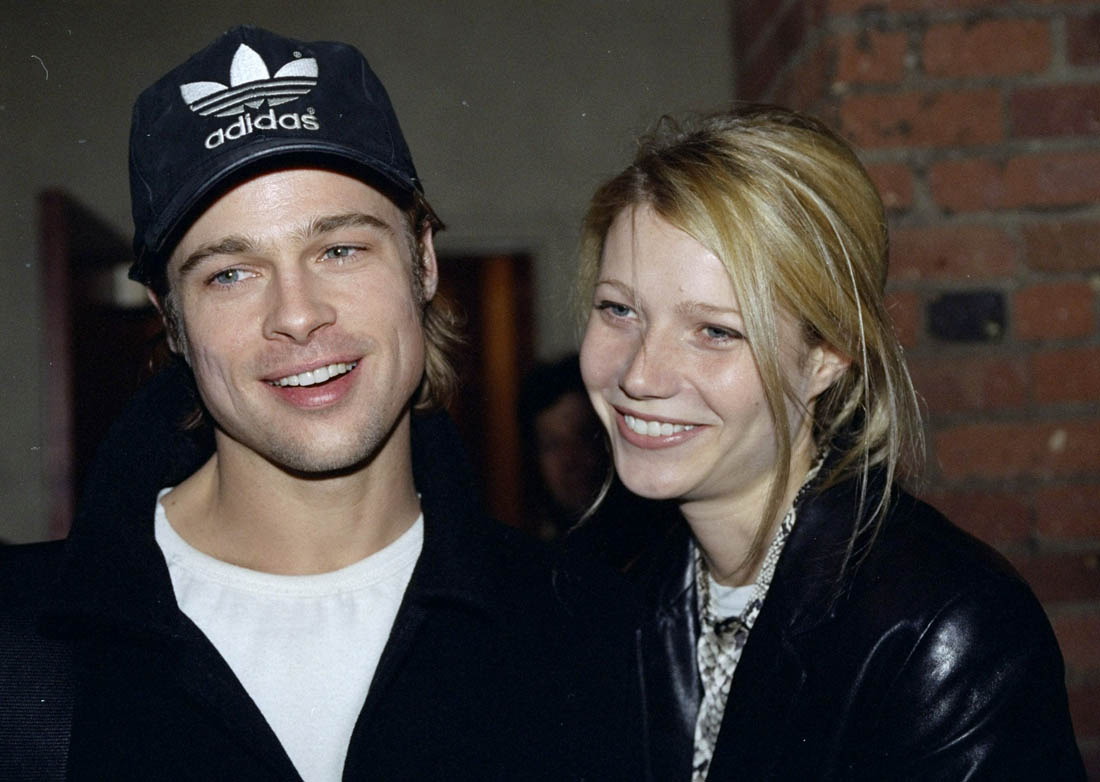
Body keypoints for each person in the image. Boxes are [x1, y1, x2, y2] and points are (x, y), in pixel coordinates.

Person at [0, 26, 643, 781]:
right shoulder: (21, 646)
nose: (298, 315)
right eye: (230, 273)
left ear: (423, 260)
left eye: (339, 250)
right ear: (170, 318)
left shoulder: (595, 633)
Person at [574, 104, 1086, 781]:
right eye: (619, 310)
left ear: (827, 355)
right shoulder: (598, 590)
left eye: (716, 331)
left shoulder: (945, 632)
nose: (640, 375)